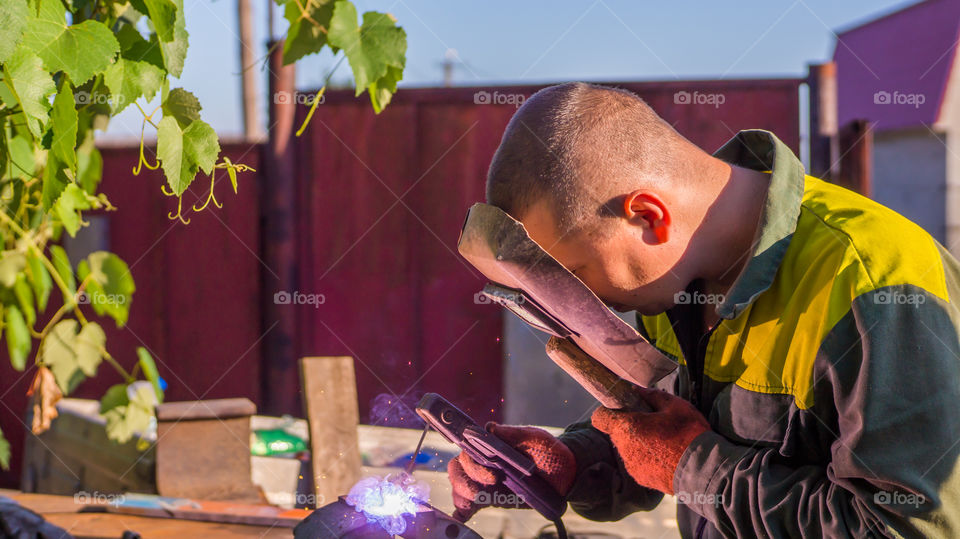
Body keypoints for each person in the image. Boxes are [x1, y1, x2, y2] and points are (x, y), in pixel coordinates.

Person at [448, 82, 960, 538]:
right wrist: (572, 462)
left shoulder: (874, 280)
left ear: (648, 216)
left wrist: (694, 468)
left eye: (577, 277)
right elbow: (663, 440)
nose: (588, 304)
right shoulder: (670, 285)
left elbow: (903, 525)